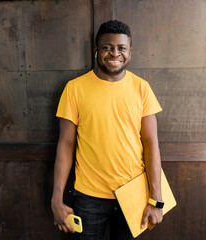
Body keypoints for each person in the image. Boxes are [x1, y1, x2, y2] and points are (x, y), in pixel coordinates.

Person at [51, 20, 163, 240]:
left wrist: (156, 200)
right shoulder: (74, 89)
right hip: (87, 198)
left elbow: (151, 144)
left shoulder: (142, 88)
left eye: (121, 48)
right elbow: (65, 145)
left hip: (134, 194)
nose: (114, 53)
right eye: (107, 47)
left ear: (130, 52)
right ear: (96, 50)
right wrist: (56, 199)